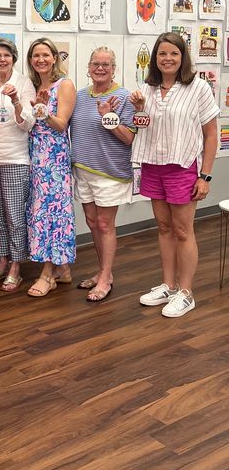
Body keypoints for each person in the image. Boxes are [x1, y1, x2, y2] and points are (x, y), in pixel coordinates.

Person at [130, 32, 219, 318]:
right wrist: (138, 110)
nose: (167, 58)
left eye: (174, 53)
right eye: (162, 53)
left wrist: (205, 176)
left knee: (183, 230)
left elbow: (211, 135)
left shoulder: (198, 87)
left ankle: (186, 292)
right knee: (164, 228)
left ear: (183, 57)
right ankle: (168, 286)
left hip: (182, 167)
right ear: (154, 58)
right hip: (153, 165)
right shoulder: (147, 88)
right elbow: (142, 127)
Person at [70, 48, 136, 302]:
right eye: (95, 63)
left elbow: (128, 138)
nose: (100, 68)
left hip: (110, 172)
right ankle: (101, 271)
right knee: (92, 222)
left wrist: (108, 116)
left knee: (106, 224)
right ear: (88, 67)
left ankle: (106, 278)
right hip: (84, 169)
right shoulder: (80, 96)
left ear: (113, 69)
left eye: (106, 64)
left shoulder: (124, 97)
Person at [0, 38, 35, 292]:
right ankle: (2, 261)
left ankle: (16, 266)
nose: (2, 59)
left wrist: (15, 101)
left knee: (14, 217)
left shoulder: (23, 83)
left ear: (14, 58)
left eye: (7, 55)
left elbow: (28, 124)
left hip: (15, 159)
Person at [25, 38, 77, 297]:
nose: (41, 59)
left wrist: (43, 110)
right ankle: (62, 269)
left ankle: (48, 273)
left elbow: (61, 125)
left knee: (52, 213)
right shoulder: (33, 85)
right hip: (35, 154)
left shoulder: (64, 85)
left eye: (45, 54)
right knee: (39, 211)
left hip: (54, 158)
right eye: (36, 55)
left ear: (55, 57)